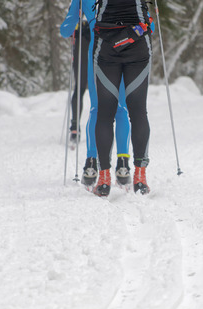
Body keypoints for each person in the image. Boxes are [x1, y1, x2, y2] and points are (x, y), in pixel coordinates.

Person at [61, 0, 132, 188]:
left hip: (98, 55)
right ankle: (123, 165)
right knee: (121, 108)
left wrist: (77, 22)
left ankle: (91, 164)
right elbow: (151, 26)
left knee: (97, 109)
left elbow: (65, 30)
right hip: (123, 51)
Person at [92, 0, 153, 196]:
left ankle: (103, 180)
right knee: (138, 112)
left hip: (106, 44)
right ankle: (140, 178)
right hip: (138, 41)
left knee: (105, 113)